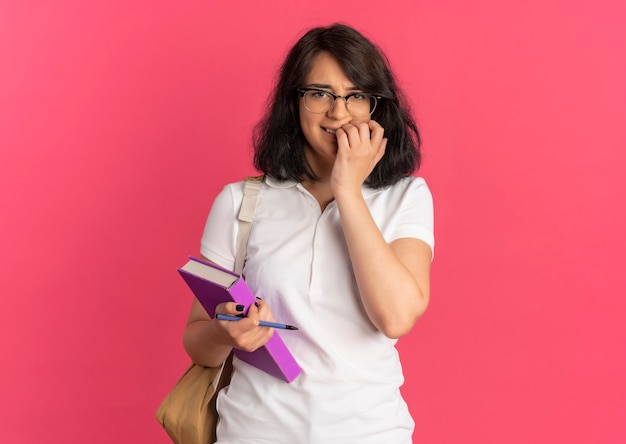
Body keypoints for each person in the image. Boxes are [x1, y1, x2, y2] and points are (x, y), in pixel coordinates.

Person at [183, 23, 434, 443]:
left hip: (371, 432)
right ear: (294, 101)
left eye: (355, 96)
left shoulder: (406, 196)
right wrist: (224, 333)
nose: (338, 113)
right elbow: (196, 341)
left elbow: (395, 316)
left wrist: (347, 190)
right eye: (319, 94)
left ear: (376, 106)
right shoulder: (240, 202)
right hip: (253, 433)